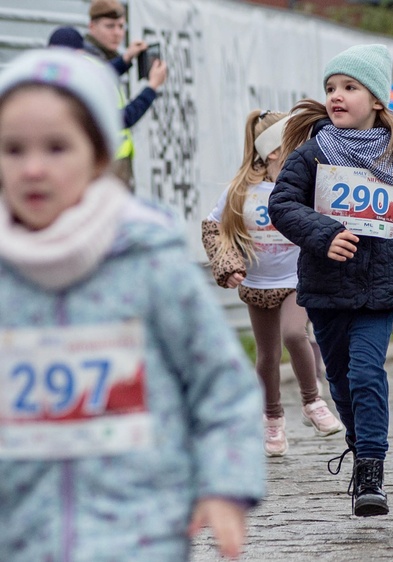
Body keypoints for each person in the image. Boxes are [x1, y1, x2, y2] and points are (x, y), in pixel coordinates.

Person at [0, 48, 264, 560]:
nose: (33, 168)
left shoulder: (150, 262)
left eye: (57, 147)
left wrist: (225, 484)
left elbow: (220, 382)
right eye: (12, 149)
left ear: (99, 155)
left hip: (141, 533)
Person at [267, 44, 393, 516]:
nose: (336, 96)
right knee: (340, 379)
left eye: (349, 87)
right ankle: (359, 447)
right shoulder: (314, 152)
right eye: (331, 87)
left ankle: (372, 471)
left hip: (379, 287)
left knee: (366, 373)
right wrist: (324, 234)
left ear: (377, 99)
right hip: (325, 286)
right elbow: (282, 204)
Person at [201, 109, 344, 457]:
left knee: (294, 333)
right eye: (294, 142)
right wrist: (227, 265)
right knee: (267, 355)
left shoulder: (305, 184)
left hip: (297, 278)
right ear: (275, 151)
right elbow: (213, 228)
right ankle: (273, 418)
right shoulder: (242, 190)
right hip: (258, 283)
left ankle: (312, 401)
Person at [84, 0, 168, 186]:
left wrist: (126, 58)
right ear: (92, 26)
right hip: (105, 168)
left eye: (121, 26)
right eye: (110, 26)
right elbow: (121, 118)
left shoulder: (99, 60)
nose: (117, 33)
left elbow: (106, 72)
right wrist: (152, 87)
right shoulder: (88, 62)